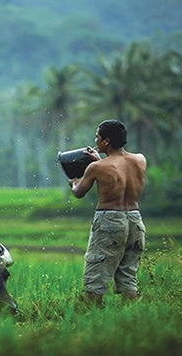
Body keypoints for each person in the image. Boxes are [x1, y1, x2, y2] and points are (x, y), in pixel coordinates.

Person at [69, 119, 147, 306]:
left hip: (109, 220)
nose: (95, 141)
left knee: (96, 274)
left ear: (106, 141)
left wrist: (74, 182)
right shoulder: (140, 160)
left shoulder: (97, 167)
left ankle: (92, 318)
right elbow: (118, 169)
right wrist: (101, 159)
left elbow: (79, 193)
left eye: (98, 137)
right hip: (135, 219)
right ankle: (130, 317)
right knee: (128, 275)